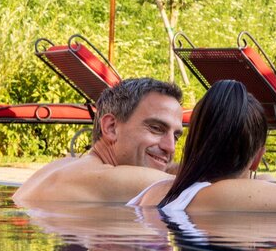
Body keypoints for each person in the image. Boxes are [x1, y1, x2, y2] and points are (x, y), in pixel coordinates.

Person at [129, 79, 276, 217]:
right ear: (257, 157)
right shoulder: (222, 196)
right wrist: (264, 183)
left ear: (193, 142)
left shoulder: (160, 189)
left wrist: (270, 183)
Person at [13, 77, 185, 205]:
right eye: (156, 128)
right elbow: (196, 188)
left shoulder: (62, 166)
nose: (170, 147)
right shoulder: (112, 180)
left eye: (176, 136)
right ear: (111, 127)